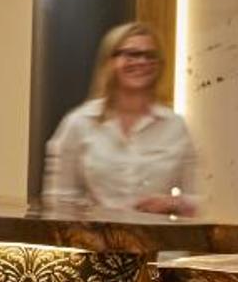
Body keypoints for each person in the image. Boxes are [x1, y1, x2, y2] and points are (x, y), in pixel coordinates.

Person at [42, 21, 200, 216]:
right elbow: (57, 200)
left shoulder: (175, 126)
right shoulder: (79, 123)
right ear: (109, 61)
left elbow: (201, 200)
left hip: (158, 235)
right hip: (94, 235)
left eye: (150, 55)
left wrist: (173, 203)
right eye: (131, 54)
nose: (141, 62)